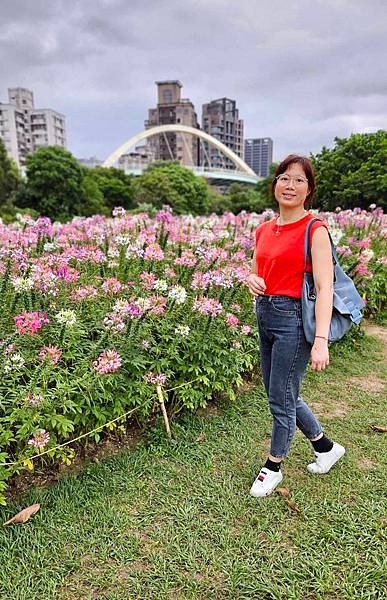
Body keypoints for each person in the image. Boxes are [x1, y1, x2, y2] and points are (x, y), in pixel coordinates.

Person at [246, 154, 345, 498]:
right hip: (265, 314)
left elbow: (325, 287)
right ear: (275, 184)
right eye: (284, 178)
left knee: (280, 398)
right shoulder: (263, 229)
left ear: (309, 190)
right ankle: (326, 447)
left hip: (293, 320)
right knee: (284, 393)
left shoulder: (314, 230)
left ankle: (273, 465)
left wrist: (321, 339)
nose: (290, 185)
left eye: (299, 180)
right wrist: (251, 280)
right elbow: (257, 269)